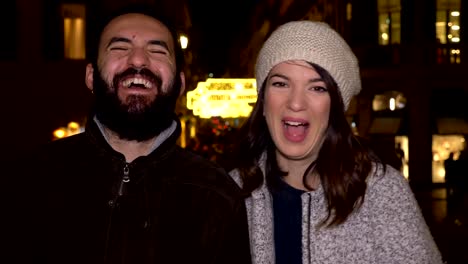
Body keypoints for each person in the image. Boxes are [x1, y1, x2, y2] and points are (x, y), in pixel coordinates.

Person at [6, 4, 251, 264]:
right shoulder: (28, 181)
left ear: (180, 84)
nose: (138, 60)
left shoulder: (218, 195)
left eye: (157, 50)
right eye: (120, 47)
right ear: (90, 76)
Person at [228, 21, 443, 264]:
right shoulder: (230, 193)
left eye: (317, 88)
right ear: (263, 101)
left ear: (337, 108)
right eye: (280, 83)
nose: (296, 103)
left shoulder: (381, 191)